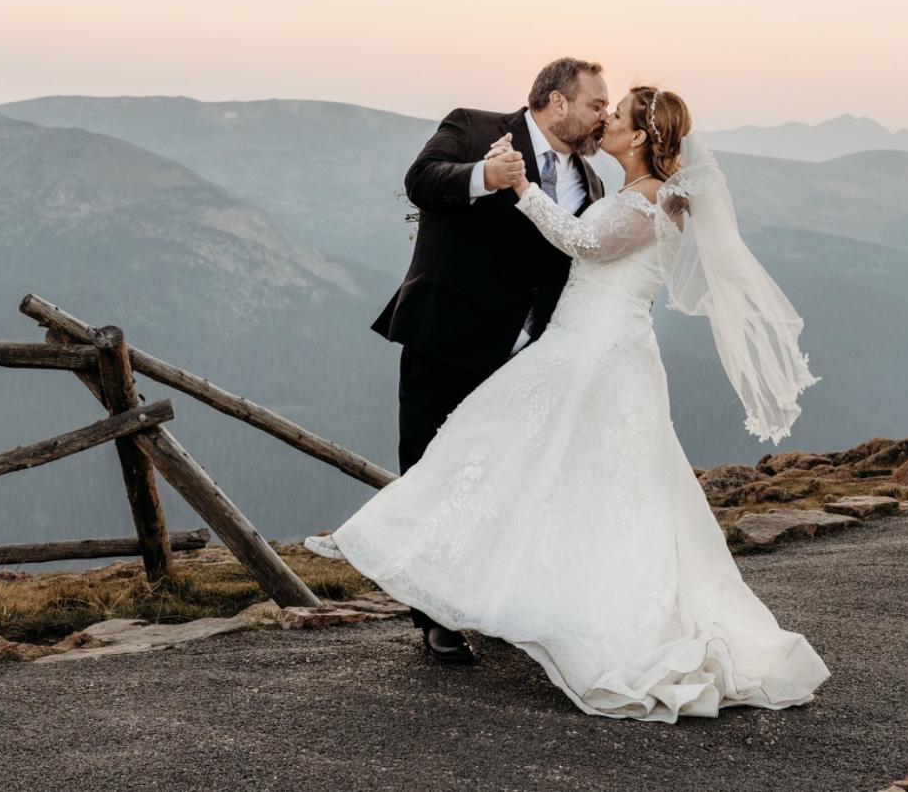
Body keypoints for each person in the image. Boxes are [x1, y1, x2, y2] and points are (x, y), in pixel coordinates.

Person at [313, 85, 828, 722]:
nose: (605, 118)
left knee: (515, 455)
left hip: (595, 353)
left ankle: (560, 612)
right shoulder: (636, 193)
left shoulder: (645, 201)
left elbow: (581, 245)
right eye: (600, 105)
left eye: (617, 114)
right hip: (586, 345)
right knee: (549, 470)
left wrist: (522, 188)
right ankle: (483, 596)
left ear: (640, 137)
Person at [368, 57, 609, 664]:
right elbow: (422, 179)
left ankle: (491, 602)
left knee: (505, 483)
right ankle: (436, 618)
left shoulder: (594, 184)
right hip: (444, 340)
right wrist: (484, 175)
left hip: (528, 360)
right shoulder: (473, 127)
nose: (603, 114)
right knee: (430, 472)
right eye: (595, 103)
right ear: (557, 102)